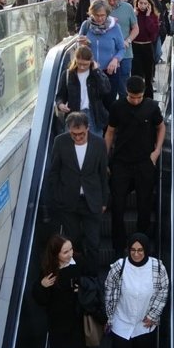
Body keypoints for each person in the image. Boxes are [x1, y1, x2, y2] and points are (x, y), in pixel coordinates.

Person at [33, 234, 90, 348]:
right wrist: (42, 286)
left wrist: (81, 288)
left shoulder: (79, 263)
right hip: (58, 324)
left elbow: (92, 283)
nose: (70, 253)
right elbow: (41, 300)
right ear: (56, 254)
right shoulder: (48, 271)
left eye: (71, 249)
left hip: (76, 320)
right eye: (65, 252)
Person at [105, 232, 169, 348]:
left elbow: (163, 290)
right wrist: (109, 316)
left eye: (140, 250)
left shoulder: (157, 267)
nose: (136, 253)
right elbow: (109, 290)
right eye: (133, 250)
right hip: (121, 319)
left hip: (144, 322)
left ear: (146, 250)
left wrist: (153, 315)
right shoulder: (119, 266)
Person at [105, 76, 165, 250]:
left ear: (144, 93)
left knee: (144, 205)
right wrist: (105, 158)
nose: (136, 100)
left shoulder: (152, 107)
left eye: (139, 97)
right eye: (132, 97)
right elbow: (110, 132)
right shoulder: (117, 107)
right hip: (121, 163)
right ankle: (118, 247)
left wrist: (157, 151)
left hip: (144, 162)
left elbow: (160, 127)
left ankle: (141, 246)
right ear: (126, 93)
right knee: (117, 206)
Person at [46, 112, 109, 263]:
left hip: (92, 201)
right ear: (68, 130)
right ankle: (78, 278)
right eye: (74, 134)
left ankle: (93, 278)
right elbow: (53, 172)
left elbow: (103, 175)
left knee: (93, 242)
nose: (78, 137)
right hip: (68, 202)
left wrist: (104, 201)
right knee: (73, 242)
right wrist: (56, 198)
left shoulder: (99, 143)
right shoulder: (60, 142)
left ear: (88, 128)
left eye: (81, 134)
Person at [56, 46, 112, 137]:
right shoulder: (67, 75)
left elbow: (106, 90)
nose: (82, 67)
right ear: (75, 60)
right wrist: (60, 104)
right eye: (79, 63)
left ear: (91, 62)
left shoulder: (96, 74)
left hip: (93, 114)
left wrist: (96, 71)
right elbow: (60, 96)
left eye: (85, 64)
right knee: (73, 143)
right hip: (74, 114)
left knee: (95, 144)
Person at [79, 0, 125, 106]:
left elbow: (122, 48)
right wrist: (84, 45)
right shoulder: (86, 26)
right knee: (92, 105)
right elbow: (79, 49)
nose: (100, 18)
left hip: (110, 73)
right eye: (96, 15)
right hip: (91, 72)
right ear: (91, 14)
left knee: (109, 104)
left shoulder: (115, 27)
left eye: (102, 15)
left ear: (107, 14)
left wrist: (115, 59)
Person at [104, 0, 138, 99]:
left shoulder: (127, 8)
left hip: (125, 53)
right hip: (107, 54)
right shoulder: (101, 8)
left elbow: (135, 28)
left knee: (124, 87)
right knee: (109, 89)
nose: (112, 2)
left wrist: (128, 40)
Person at [132, 0, 160, 95]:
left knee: (148, 76)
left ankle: (148, 99)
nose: (142, 6)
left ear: (149, 5)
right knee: (136, 75)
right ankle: (135, 96)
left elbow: (153, 31)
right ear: (137, 3)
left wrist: (148, 17)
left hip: (147, 46)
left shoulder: (153, 16)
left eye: (145, 3)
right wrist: (134, 16)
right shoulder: (134, 14)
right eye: (140, 3)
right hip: (135, 46)